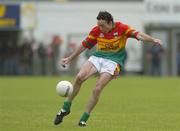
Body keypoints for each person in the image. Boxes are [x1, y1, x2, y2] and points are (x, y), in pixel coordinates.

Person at [54, 11, 162, 127]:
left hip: (113, 61)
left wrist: (153, 39)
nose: (100, 28)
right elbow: (84, 45)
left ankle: (83, 119)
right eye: (99, 25)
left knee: (97, 88)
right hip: (98, 57)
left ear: (110, 23)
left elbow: (139, 34)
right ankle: (66, 108)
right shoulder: (96, 31)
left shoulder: (122, 28)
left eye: (103, 25)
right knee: (79, 77)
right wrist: (70, 58)